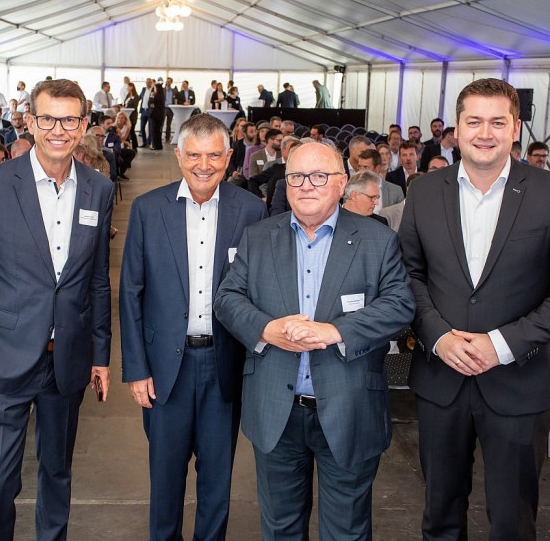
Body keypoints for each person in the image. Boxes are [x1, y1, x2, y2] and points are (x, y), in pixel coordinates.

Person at [213, 141, 414, 540]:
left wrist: (335, 331)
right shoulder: (258, 237)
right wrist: (266, 329)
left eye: (319, 176)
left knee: (347, 531)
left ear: (341, 183)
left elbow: (399, 306)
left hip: (349, 407)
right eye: (297, 177)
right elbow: (227, 298)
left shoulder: (378, 240)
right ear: (284, 185)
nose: (307, 185)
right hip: (277, 411)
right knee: (281, 528)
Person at [0, 79, 114, 541]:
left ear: (84, 124)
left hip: (65, 359)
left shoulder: (99, 190)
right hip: (2, 359)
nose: (59, 129)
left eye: (69, 119)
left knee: (57, 474)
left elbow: (97, 280)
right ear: (30, 122)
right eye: (48, 119)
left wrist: (100, 354)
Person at [399, 78, 550, 541]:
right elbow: (408, 276)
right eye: (474, 121)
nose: (485, 132)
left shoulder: (547, 191)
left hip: (519, 381)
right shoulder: (424, 192)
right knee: (440, 515)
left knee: (513, 521)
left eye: (498, 122)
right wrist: (440, 337)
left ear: (516, 127)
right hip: (441, 380)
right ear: (456, 129)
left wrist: (501, 344)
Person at [120, 113, 267, 541]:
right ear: (178, 154)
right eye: (195, 155)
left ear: (229, 157)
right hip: (166, 369)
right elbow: (131, 292)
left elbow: (259, 290)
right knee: (165, 477)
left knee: (217, 478)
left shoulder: (251, 209)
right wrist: (136, 367)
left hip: (225, 365)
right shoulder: (149, 208)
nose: (204, 165)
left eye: (214, 156)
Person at [149, 81, 166, 151]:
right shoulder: (162, 96)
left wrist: (151, 96)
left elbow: (151, 103)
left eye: (155, 88)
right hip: (161, 115)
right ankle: (159, 145)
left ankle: (155, 145)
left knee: (154, 131)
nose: (154, 89)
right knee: (158, 131)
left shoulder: (156, 96)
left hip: (155, 115)